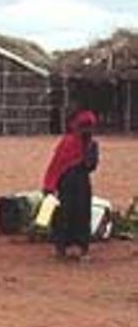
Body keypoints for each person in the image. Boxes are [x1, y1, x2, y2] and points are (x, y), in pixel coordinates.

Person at [43, 110, 100, 261]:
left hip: (81, 182)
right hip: (66, 183)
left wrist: (88, 149)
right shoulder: (67, 142)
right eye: (84, 127)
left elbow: (91, 166)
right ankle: (62, 249)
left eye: (89, 127)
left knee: (82, 213)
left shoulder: (91, 145)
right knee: (63, 214)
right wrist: (50, 186)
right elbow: (56, 166)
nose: (87, 131)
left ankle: (81, 248)